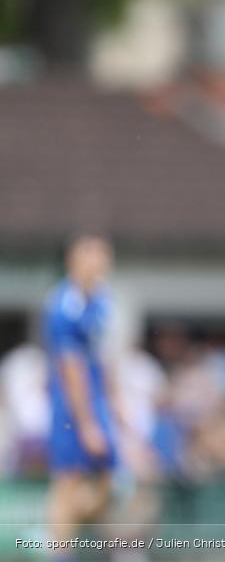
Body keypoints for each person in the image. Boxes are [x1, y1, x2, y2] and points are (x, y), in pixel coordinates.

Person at [43, 235, 117, 562]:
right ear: (73, 261)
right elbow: (71, 368)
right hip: (71, 403)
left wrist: (115, 406)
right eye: (92, 255)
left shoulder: (101, 301)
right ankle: (60, 552)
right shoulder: (63, 305)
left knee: (107, 478)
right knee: (68, 478)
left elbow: (103, 358)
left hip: (97, 398)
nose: (99, 262)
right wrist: (86, 423)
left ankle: (82, 541)